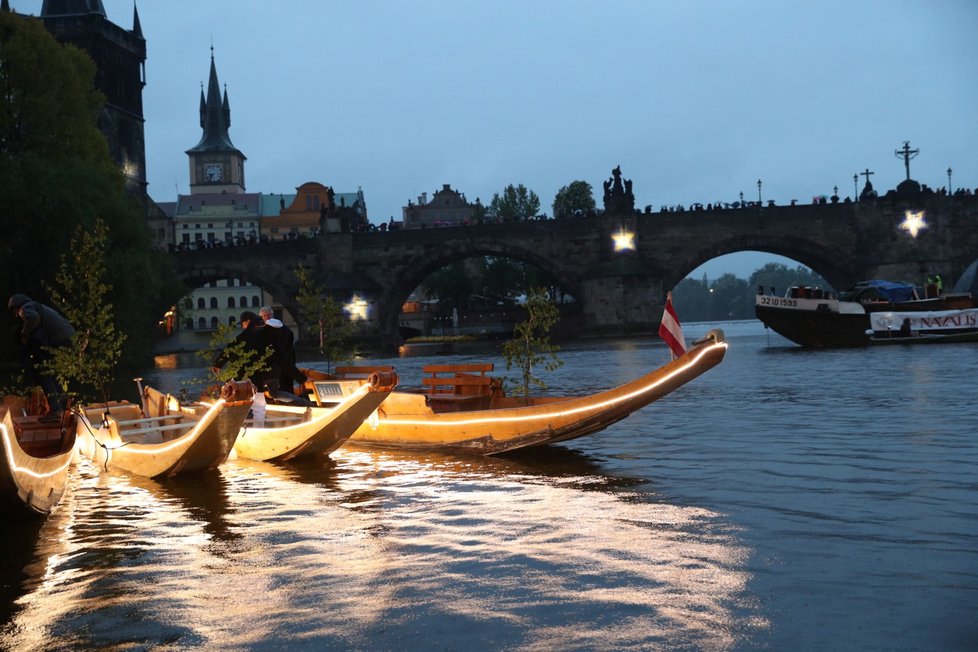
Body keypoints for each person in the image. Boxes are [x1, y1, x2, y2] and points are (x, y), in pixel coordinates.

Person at [8, 294, 75, 419]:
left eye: (15, 311)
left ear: (17, 306)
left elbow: (33, 318)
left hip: (59, 341)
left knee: (44, 374)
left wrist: (24, 334)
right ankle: (63, 407)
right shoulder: (39, 306)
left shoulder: (27, 308)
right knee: (54, 374)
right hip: (68, 340)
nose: (17, 314)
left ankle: (56, 410)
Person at [258, 305, 305, 394]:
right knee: (284, 387)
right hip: (284, 360)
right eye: (264, 316)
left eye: (268, 315)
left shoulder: (273, 327)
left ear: (272, 314)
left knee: (284, 386)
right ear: (261, 317)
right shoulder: (280, 326)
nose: (267, 317)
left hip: (282, 361)